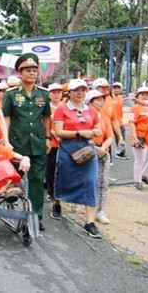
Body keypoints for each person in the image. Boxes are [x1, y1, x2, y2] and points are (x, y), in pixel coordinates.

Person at [2, 53, 51, 231]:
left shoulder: (43, 95)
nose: (31, 73)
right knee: (17, 180)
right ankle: (18, 212)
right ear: (20, 73)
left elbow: (46, 118)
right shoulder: (11, 95)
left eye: (34, 70)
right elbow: (6, 118)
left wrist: (47, 138)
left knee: (37, 181)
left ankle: (36, 215)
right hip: (17, 144)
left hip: (37, 143)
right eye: (27, 70)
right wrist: (5, 141)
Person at [53, 79, 103, 239]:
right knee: (63, 178)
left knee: (90, 182)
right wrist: (80, 133)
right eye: (77, 90)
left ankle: (89, 222)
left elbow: (98, 126)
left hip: (87, 149)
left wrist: (94, 131)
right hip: (68, 148)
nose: (80, 93)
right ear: (70, 92)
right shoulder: (62, 109)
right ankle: (58, 202)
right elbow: (59, 131)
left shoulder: (91, 110)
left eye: (83, 90)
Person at [85, 89, 115, 224]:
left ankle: (100, 210)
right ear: (90, 102)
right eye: (98, 100)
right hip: (88, 151)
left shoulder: (104, 117)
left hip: (102, 151)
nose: (102, 102)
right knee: (89, 181)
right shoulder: (84, 116)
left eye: (103, 99)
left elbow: (110, 136)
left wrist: (103, 147)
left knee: (102, 182)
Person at [128, 85, 148, 190]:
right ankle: (137, 181)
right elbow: (131, 123)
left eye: (147, 94)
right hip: (140, 139)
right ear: (138, 96)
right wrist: (134, 136)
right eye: (142, 94)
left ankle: (144, 175)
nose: (145, 96)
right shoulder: (135, 108)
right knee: (140, 160)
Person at [47, 83, 64, 220]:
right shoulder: (46, 108)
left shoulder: (65, 108)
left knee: (63, 173)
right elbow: (45, 124)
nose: (56, 94)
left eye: (59, 92)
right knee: (51, 173)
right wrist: (54, 134)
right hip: (51, 145)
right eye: (54, 92)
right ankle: (54, 200)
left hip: (65, 145)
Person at [111, 82, 128, 159]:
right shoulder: (109, 98)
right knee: (108, 138)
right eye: (115, 88)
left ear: (121, 89)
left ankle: (120, 153)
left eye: (118, 88)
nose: (116, 89)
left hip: (120, 122)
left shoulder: (121, 98)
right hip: (111, 122)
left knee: (121, 137)